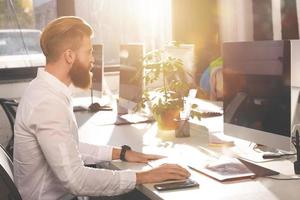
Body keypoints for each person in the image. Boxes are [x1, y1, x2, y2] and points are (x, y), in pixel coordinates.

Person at [13, 16, 190, 200]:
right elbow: (76, 180)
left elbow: (67, 149)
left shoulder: (46, 90)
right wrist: (144, 176)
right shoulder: (47, 102)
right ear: (69, 56)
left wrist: (121, 153)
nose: (93, 59)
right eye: (89, 52)